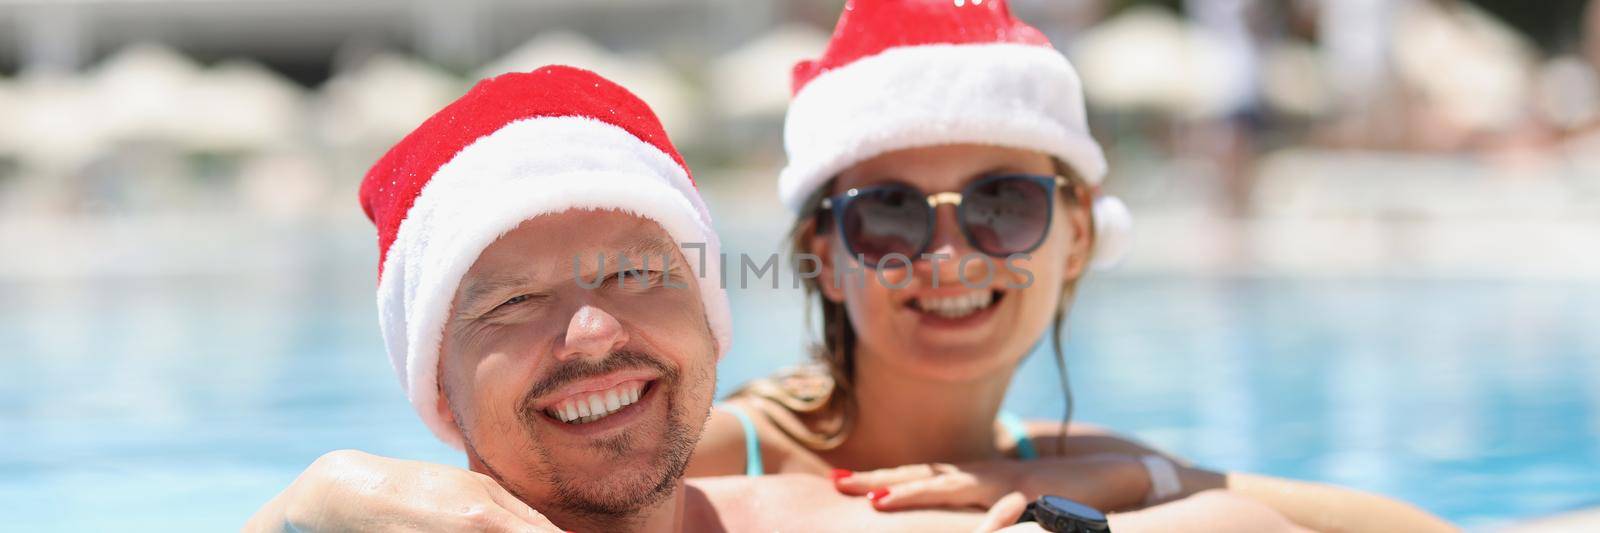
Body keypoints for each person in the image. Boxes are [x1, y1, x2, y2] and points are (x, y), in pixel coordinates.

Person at [252, 1, 1454, 531]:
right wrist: (321, 492)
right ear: (820, 257)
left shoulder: (1045, 458)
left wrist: (1123, 473)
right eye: (886, 215)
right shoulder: (718, 442)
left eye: (1001, 205)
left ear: (1078, 231)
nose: (945, 254)